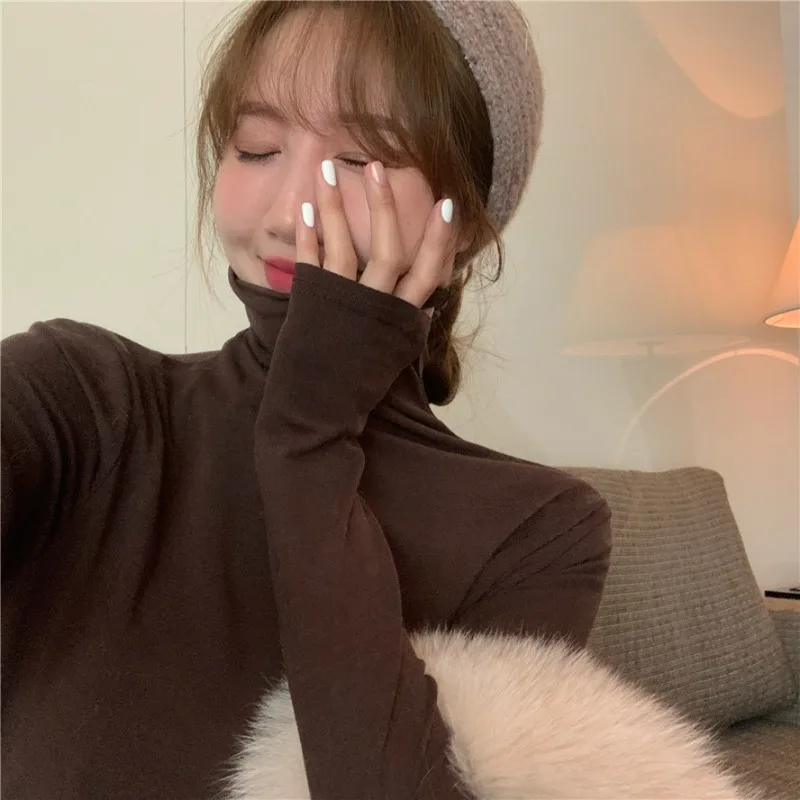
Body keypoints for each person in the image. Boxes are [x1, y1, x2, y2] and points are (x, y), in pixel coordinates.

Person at [1, 1, 613, 798]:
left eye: (360, 160)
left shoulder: (542, 531)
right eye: (257, 148)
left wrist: (309, 439)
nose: (293, 213)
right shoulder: (83, 395)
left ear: (464, 222)